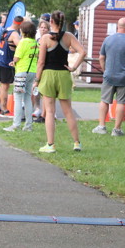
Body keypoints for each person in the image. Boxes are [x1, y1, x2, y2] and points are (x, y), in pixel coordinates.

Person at [34, 10, 87, 153]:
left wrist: (36, 80)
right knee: (68, 111)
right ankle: (76, 143)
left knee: (50, 111)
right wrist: (73, 67)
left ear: (51, 21)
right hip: (64, 75)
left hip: (48, 75)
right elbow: (82, 52)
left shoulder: (45, 38)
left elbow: (41, 62)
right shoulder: (68, 36)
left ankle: (50, 144)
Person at [91, 17, 125, 137]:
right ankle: (116, 129)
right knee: (121, 102)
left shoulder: (108, 39)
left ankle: (101, 126)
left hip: (109, 75)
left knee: (104, 100)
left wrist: (105, 70)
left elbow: (101, 58)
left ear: (117, 26)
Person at [4, 20, 38, 132]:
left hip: (21, 72)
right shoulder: (36, 43)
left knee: (18, 98)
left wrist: (14, 61)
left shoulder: (23, 42)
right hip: (32, 71)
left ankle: (16, 125)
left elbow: (17, 57)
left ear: (23, 31)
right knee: (27, 97)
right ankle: (28, 125)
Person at [0, 16, 22, 116]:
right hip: (6, 62)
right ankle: (4, 109)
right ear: (20, 25)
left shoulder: (5, 30)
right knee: (5, 86)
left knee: (2, 86)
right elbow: (21, 47)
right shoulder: (14, 34)